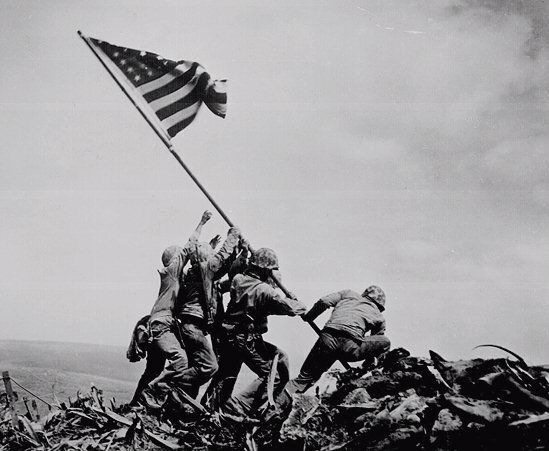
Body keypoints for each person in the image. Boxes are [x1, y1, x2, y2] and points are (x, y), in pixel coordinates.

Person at [213, 248, 307, 418]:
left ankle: (216, 408)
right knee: (275, 374)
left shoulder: (238, 279)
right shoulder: (265, 290)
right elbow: (294, 309)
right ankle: (240, 407)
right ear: (266, 270)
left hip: (229, 336)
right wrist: (294, 300)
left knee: (227, 375)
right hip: (246, 340)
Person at [136, 210, 212, 410]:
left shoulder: (175, 278)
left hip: (165, 324)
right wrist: (201, 223)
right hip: (162, 324)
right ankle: (153, 391)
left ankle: (138, 402)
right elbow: (188, 248)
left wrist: (209, 248)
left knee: (154, 368)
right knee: (180, 360)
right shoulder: (171, 273)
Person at [172, 225, 244, 398]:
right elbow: (220, 259)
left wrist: (241, 253)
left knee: (197, 367)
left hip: (192, 328)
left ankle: (182, 401)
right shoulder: (203, 270)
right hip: (193, 328)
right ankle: (169, 383)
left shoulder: (197, 274)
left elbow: (225, 266)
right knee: (209, 366)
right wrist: (232, 236)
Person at [286, 285, 390, 395]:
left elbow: (324, 301)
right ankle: (364, 371)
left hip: (327, 341)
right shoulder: (379, 316)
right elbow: (375, 344)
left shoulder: (348, 294)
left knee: (303, 380)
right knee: (385, 342)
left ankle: (277, 397)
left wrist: (309, 317)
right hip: (350, 348)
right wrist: (367, 365)